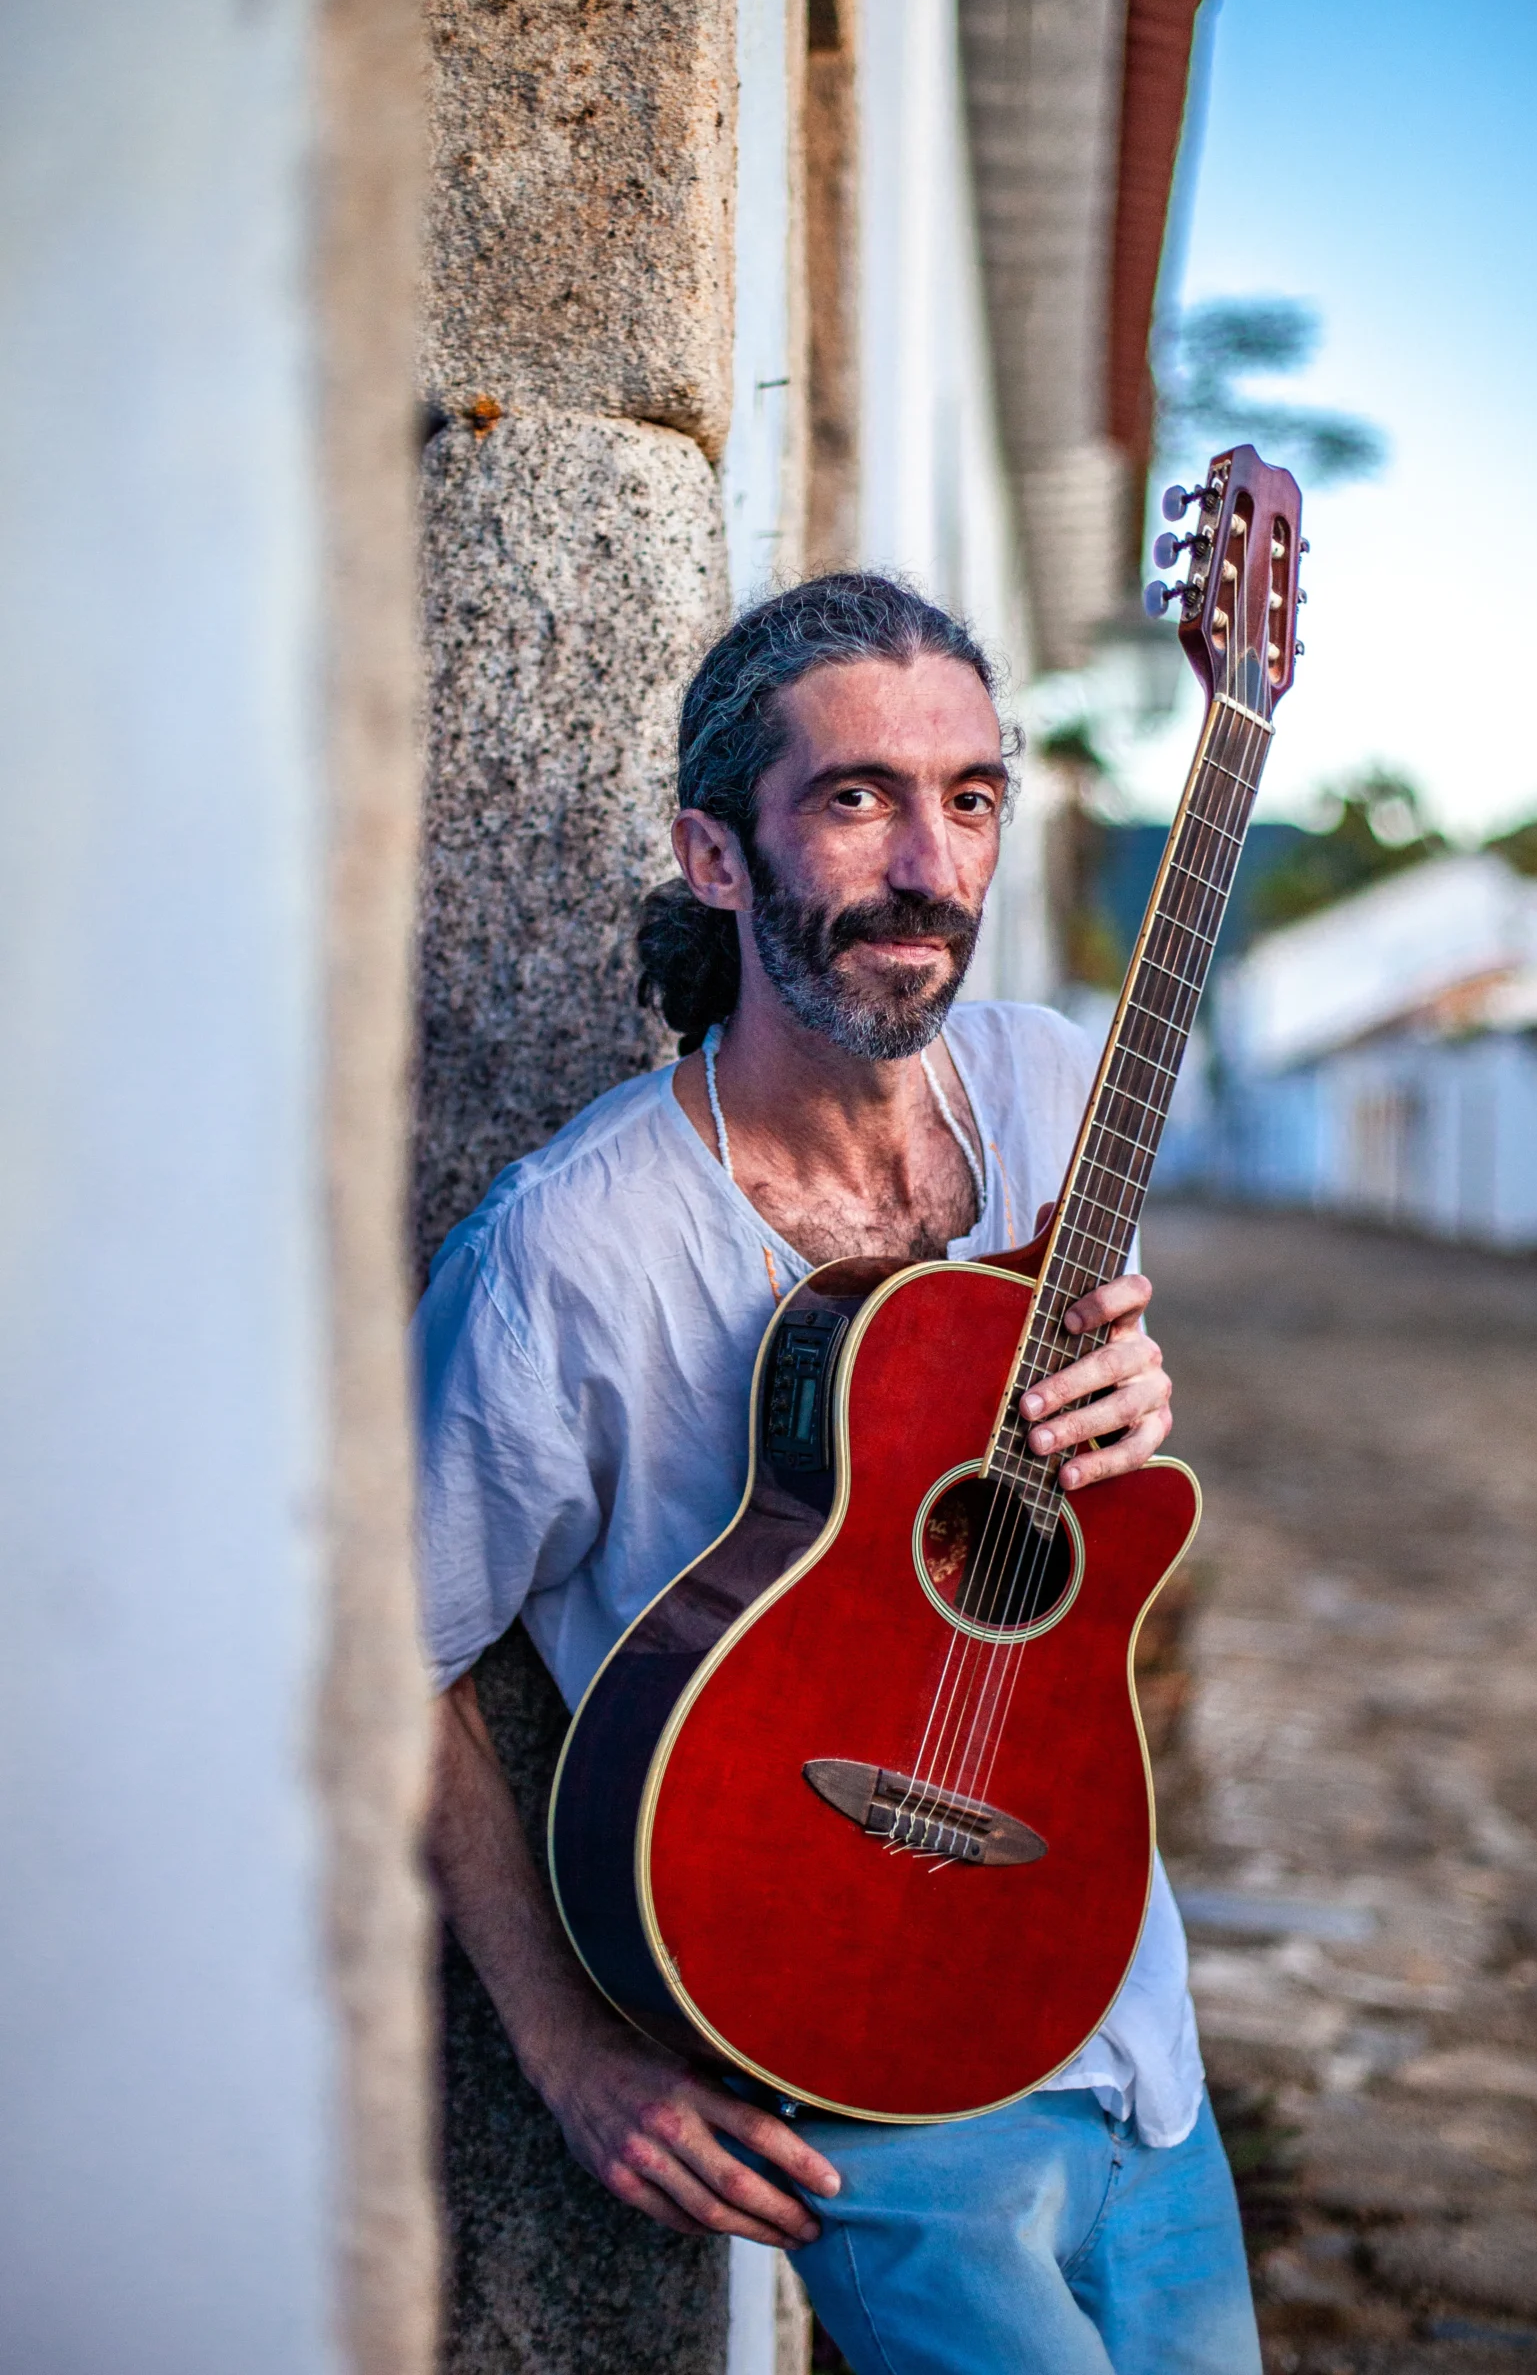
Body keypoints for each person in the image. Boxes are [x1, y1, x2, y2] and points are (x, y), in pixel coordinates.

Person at [417, 573, 1261, 2374]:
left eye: (970, 798)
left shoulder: (1053, 1093)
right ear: (714, 856)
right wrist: (572, 2059)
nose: (929, 867)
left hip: (1117, 1994)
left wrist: (1124, 1413)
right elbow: (381, 1657)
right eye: (857, 799)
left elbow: (1052, 1485)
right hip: (850, 2047)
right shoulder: (567, 1254)